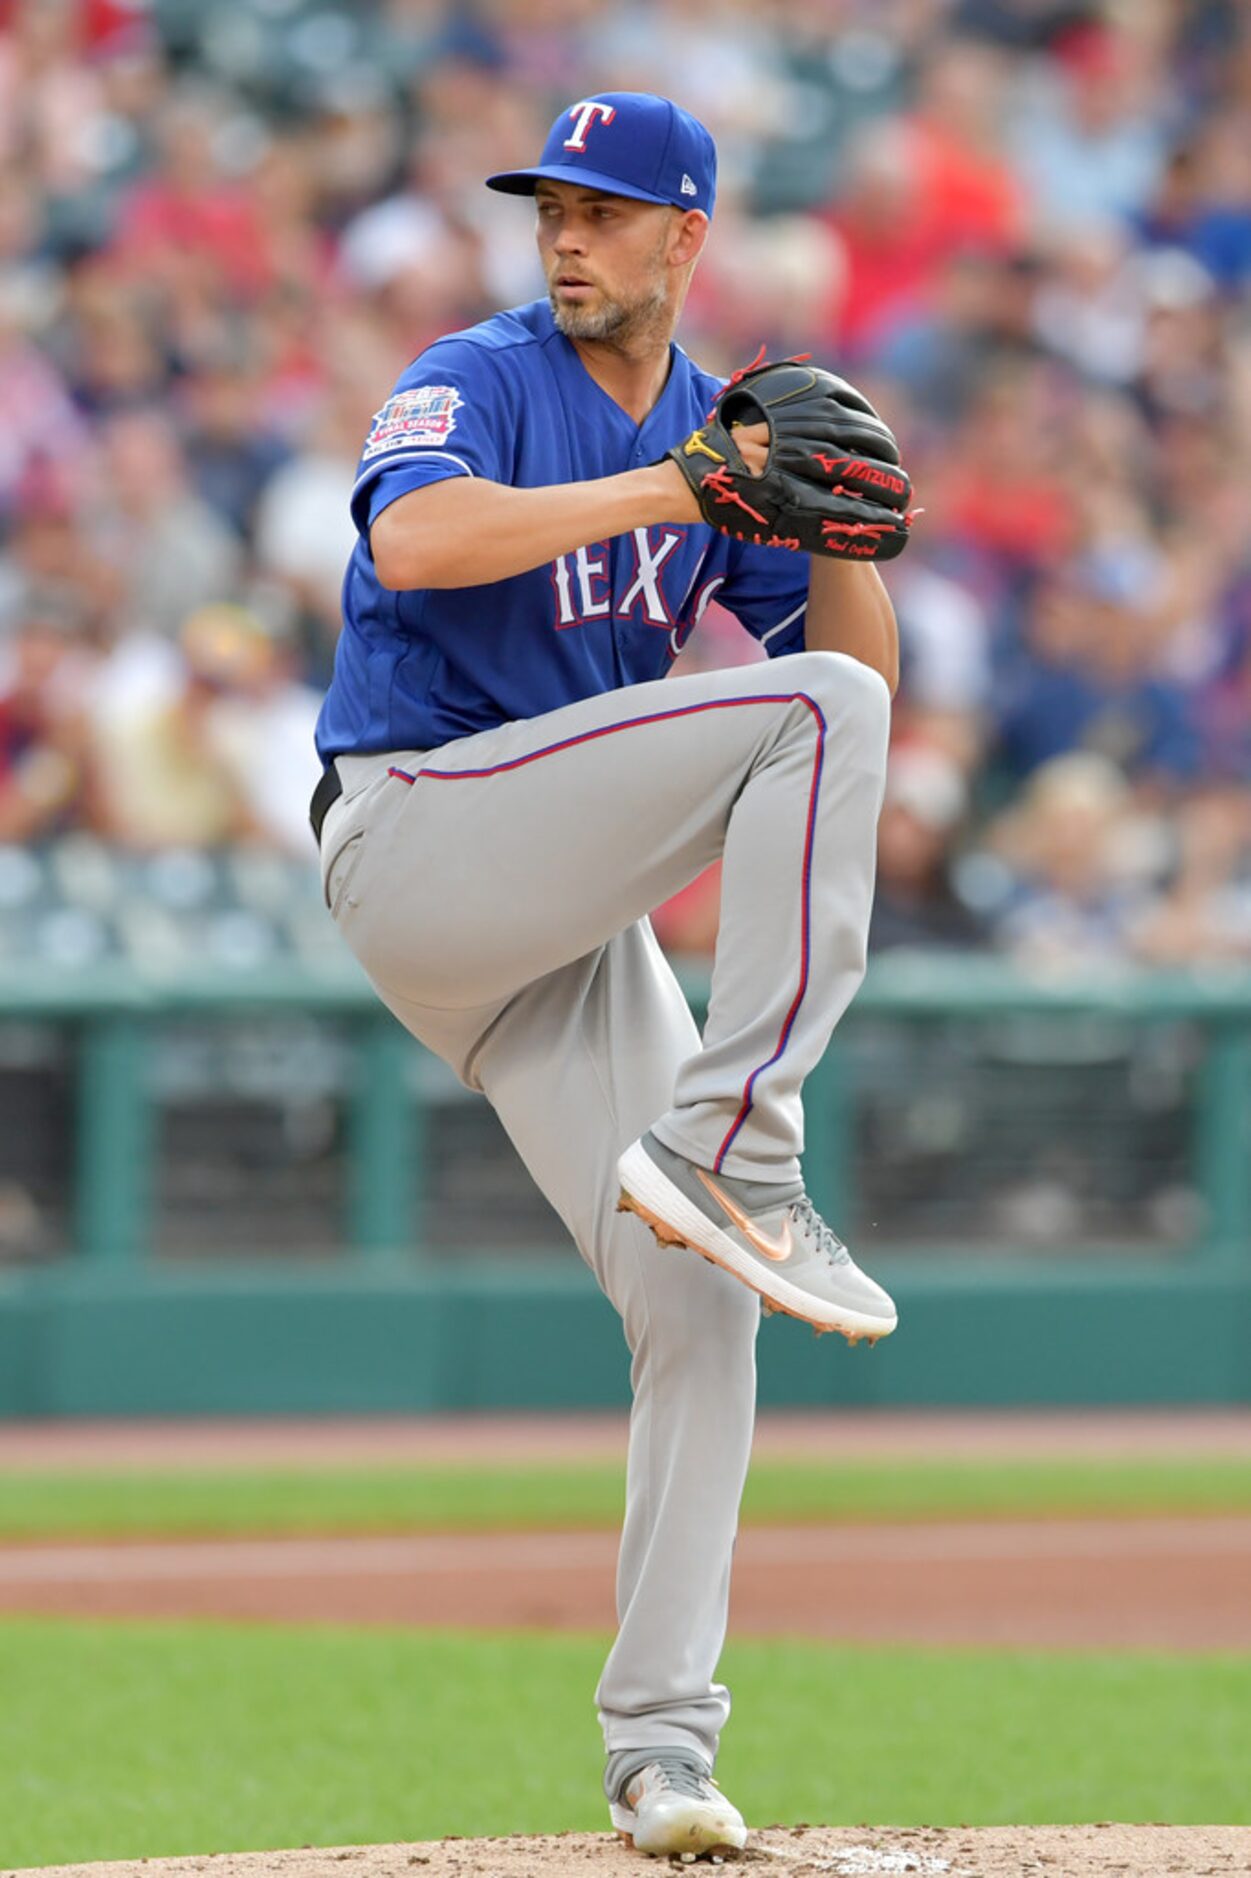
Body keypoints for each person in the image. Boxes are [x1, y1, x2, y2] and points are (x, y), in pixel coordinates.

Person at [311, 92, 909, 1857]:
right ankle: (747, 1136)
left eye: (604, 209)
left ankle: (662, 1752)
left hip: (550, 927)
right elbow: (413, 543)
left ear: (685, 240)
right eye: (549, 206)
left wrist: (850, 529)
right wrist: (683, 485)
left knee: (702, 1307)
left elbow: (853, 670)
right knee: (819, 719)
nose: (566, 235)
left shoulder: (712, 428)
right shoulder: (480, 371)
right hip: (420, 833)